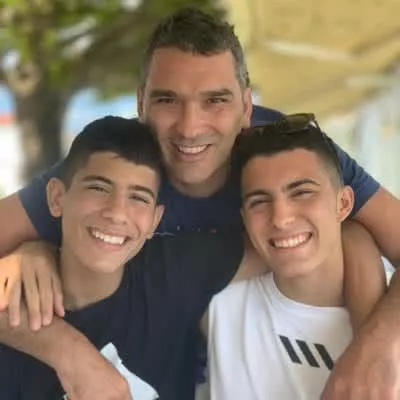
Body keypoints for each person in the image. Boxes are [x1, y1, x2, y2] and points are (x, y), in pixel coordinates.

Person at [0, 7, 399, 400]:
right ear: (141, 103)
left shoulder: (287, 156)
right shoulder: (119, 165)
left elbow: (346, 231)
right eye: (167, 100)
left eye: (215, 100)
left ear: (246, 107)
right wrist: (65, 340)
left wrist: (376, 345)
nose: (190, 127)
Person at [0, 115, 259, 399]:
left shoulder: (171, 272)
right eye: (98, 188)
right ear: (56, 198)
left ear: (154, 220)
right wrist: (70, 354)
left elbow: (276, 246)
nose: (117, 213)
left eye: (138, 198)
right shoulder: (15, 304)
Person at [206, 115, 386, 399]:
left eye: (302, 192)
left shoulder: (388, 318)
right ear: (244, 218)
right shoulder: (218, 305)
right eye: (260, 201)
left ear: (343, 203)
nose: (281, 218)